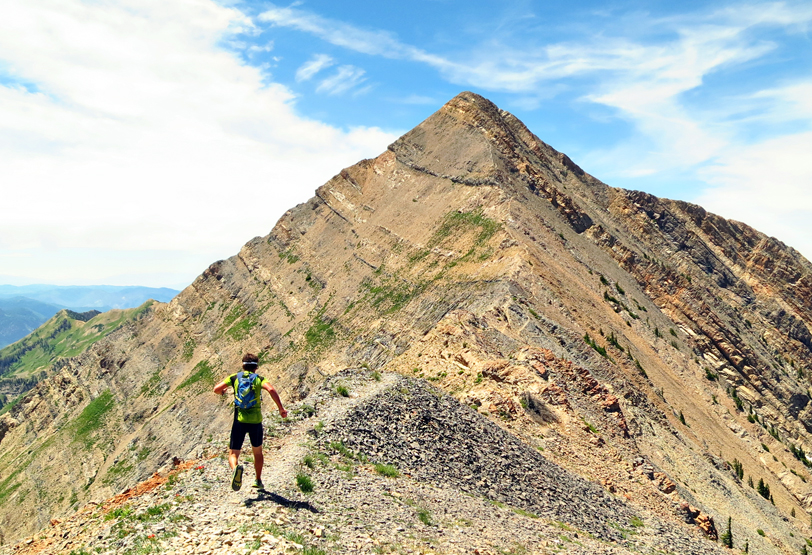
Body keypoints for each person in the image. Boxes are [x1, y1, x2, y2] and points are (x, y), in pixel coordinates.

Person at [213, 353, 287, 491]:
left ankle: (236, 469)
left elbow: (216, 389)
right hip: (255, 421)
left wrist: (223, 392)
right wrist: (281, 408)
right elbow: (271, 389)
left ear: (243, 365)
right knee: (257, 452)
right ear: (256, 367)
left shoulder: (235, 377)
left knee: (233, 453)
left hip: (239, 420)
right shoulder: (259, 379)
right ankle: (258, 480)